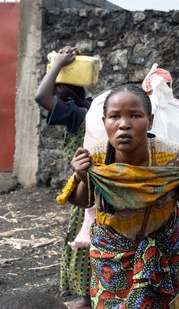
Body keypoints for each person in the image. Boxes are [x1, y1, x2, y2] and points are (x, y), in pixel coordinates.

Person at [66, 84, 179, 308]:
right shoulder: (96, 157)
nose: (124, 124)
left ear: (149, 121)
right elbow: (84, 201)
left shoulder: (170, 155)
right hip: (112, 253)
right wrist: (82, 176)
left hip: (162, 249)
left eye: (135, 115)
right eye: (114, 116)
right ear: (104, 122)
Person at [34, 46, 93, 309]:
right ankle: (89, 296)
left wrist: (58, 64)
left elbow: (40, 95)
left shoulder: (75, 114)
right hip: (93, 190)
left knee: (84, 245)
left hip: (87, 193)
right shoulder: (90, 109)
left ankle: (85, 298)